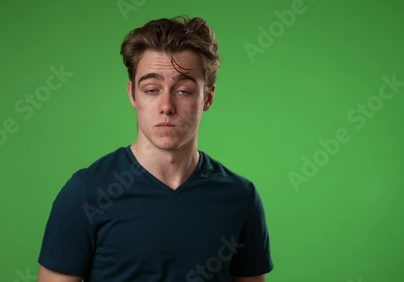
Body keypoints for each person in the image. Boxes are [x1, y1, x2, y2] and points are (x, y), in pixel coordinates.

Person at [37, 16, 273, 282]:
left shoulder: (241, 198)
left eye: (183, 90)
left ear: (207, 97)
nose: (166, 106)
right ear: (133, 94)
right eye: (151, 89)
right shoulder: (85, 194)